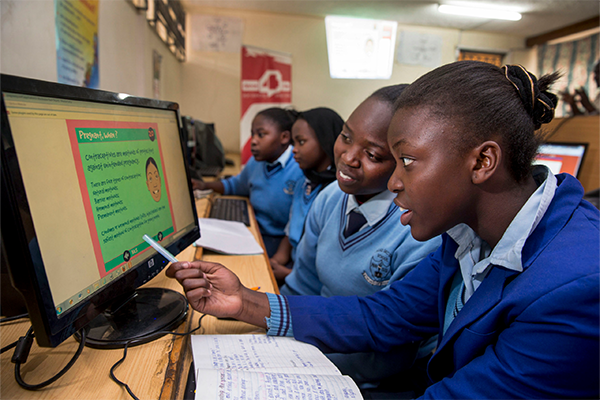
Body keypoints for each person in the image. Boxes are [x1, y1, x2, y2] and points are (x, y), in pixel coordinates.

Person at [168, 61, 599, 398]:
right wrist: (245, 302)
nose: (394, 182)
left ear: (483, 162)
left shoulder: (576, 289)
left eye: (406, 161)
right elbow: (384, 315)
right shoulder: (468, 234)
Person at [193, 108, 304, 257]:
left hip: (280, 243)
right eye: (252, 134)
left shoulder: (299, 167)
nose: (253, 141)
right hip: (255, 232)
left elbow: (297, 224)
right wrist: (205, 185)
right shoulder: (257, 162)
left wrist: (279, 259)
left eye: (261, 134)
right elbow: (236, 185)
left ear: (284, 137)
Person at [270, 107, 344, 285]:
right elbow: (291, 230)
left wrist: (287, 273)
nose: (294, 150)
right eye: (293, 144)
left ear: (326, 142)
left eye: (301, 142)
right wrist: (276, 260)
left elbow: (330, 263)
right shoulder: (304, 182)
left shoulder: (337, 193)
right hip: (293, 266)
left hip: (310, 281)